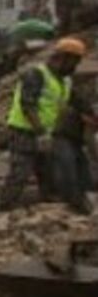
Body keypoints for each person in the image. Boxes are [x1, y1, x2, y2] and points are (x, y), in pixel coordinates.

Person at [0, 37, 86, 212]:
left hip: (44, 133)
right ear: (62, 58)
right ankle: (1, 209)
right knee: (20, 173)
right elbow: (28, 105)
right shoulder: (36, 74)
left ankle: (48, 209)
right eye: (73, 62)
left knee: (47, 172)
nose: (74, 67)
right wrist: (41, 132)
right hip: (24, 131)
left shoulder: (64, 81)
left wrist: (91, 114)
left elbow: (78, 101)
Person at [53, 60, 96, 214]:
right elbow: (90, 138)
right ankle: (72, 202)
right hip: (62, 135)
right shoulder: (75, 97)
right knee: (68, 166)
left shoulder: (80, 98)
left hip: (74, 138)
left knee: (83, 171)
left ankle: (83, 200)